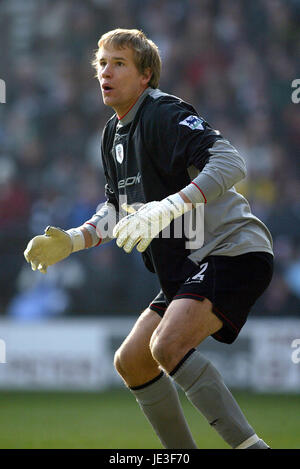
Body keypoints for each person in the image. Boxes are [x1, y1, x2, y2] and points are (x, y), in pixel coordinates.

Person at [24, 28, 274, 449]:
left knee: (167, 344)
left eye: (119, 63)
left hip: (233, 249)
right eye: (102, 63)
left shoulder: (163, 112)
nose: (106, 71)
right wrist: (70, 240)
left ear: (145, 75)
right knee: (132, 362)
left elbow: (231, 161)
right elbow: (118, 211)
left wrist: (170, 205)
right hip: (189, 266)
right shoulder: (111, 134)